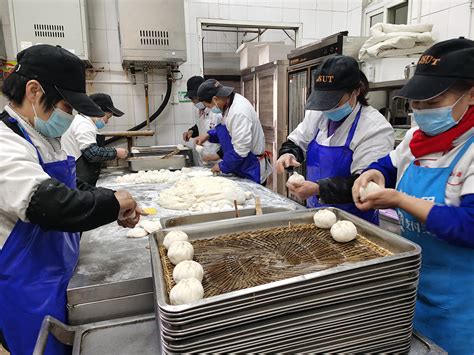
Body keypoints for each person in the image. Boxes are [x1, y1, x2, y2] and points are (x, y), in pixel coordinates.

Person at [0, 44, 141, 355]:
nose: (70, 115)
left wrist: (111, 202)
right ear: (34, 91)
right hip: (29, 287)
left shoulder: (44, 137)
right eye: (66, 105)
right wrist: (113, 203)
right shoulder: (4, 142)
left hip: (61, 269)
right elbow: (48, 203)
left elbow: (71, 186)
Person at [352, 38, 474, 354]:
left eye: (430, 103)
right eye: (415, 103)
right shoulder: (417, 137)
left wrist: (401, 201)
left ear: (471, 93)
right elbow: (390, 164)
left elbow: (471, 226)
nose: (419, 111)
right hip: (415, 290)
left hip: (460, 308)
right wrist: (374, 174)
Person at [276, 55, 394, 224]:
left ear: (356, 91)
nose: (327, 108)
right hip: (315, 213)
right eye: (323, 101)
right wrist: (288, 154)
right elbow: (297, 140)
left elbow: (365, 183)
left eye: (334, 102)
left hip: (355, 221)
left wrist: (319, 189)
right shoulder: (319, 113)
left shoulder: (374, 128)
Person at [195, 79, 271, 184]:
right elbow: (227, 130)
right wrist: (208, 135)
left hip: (250, 167)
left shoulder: (238, 112)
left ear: (215, 99)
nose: (210, 109)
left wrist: (222, 165)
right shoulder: (229, 104)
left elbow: (241, 150)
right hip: (240, 165)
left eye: (209, 106)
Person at [61, 93, 128, 185]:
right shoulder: (83, 124)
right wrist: (116, 152)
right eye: (107, 117)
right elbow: (92, 153)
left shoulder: (84, 122)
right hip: (77, 178)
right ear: (98, 110)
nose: (107, 122)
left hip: (80, 178)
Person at [182, 76, 222, 165]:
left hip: (218, 160)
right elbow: (201, 126)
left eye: (194, 98)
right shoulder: (199, 110)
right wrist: (191, 131)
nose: (194, 102)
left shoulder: (217, 111)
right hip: (205, 158)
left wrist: (218, 156)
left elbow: (225, 134)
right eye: (191, 99)